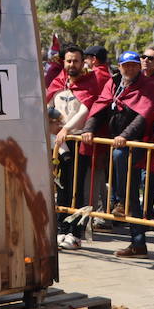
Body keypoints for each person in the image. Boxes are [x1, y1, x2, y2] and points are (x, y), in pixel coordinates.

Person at [91, 51, 154, 258]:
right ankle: (138, 242)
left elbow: (145, 114)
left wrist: (124, 136)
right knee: (131, 194)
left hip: (136, 144)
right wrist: (89, 129)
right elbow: (100, 106)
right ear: (120, 66)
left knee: (122, 165)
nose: (130, 69)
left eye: (133, 65)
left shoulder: (147, 85)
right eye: (126, 65)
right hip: (116, 143)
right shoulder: (114, 83)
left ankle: (121, 201)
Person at [47, 44, 105, 248]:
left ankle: (76, 233)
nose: (72, 64)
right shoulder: (57, 82)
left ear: (83, 63)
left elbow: (84, 111)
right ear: (64, 62)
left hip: (78, 142)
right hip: (59, 145)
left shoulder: (90, 83)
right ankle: (61, 230)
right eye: (69, 60)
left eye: (76, 61)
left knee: (77, 189)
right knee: (61, 189)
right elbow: (48, 106)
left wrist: (66, 130)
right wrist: (52, 124)